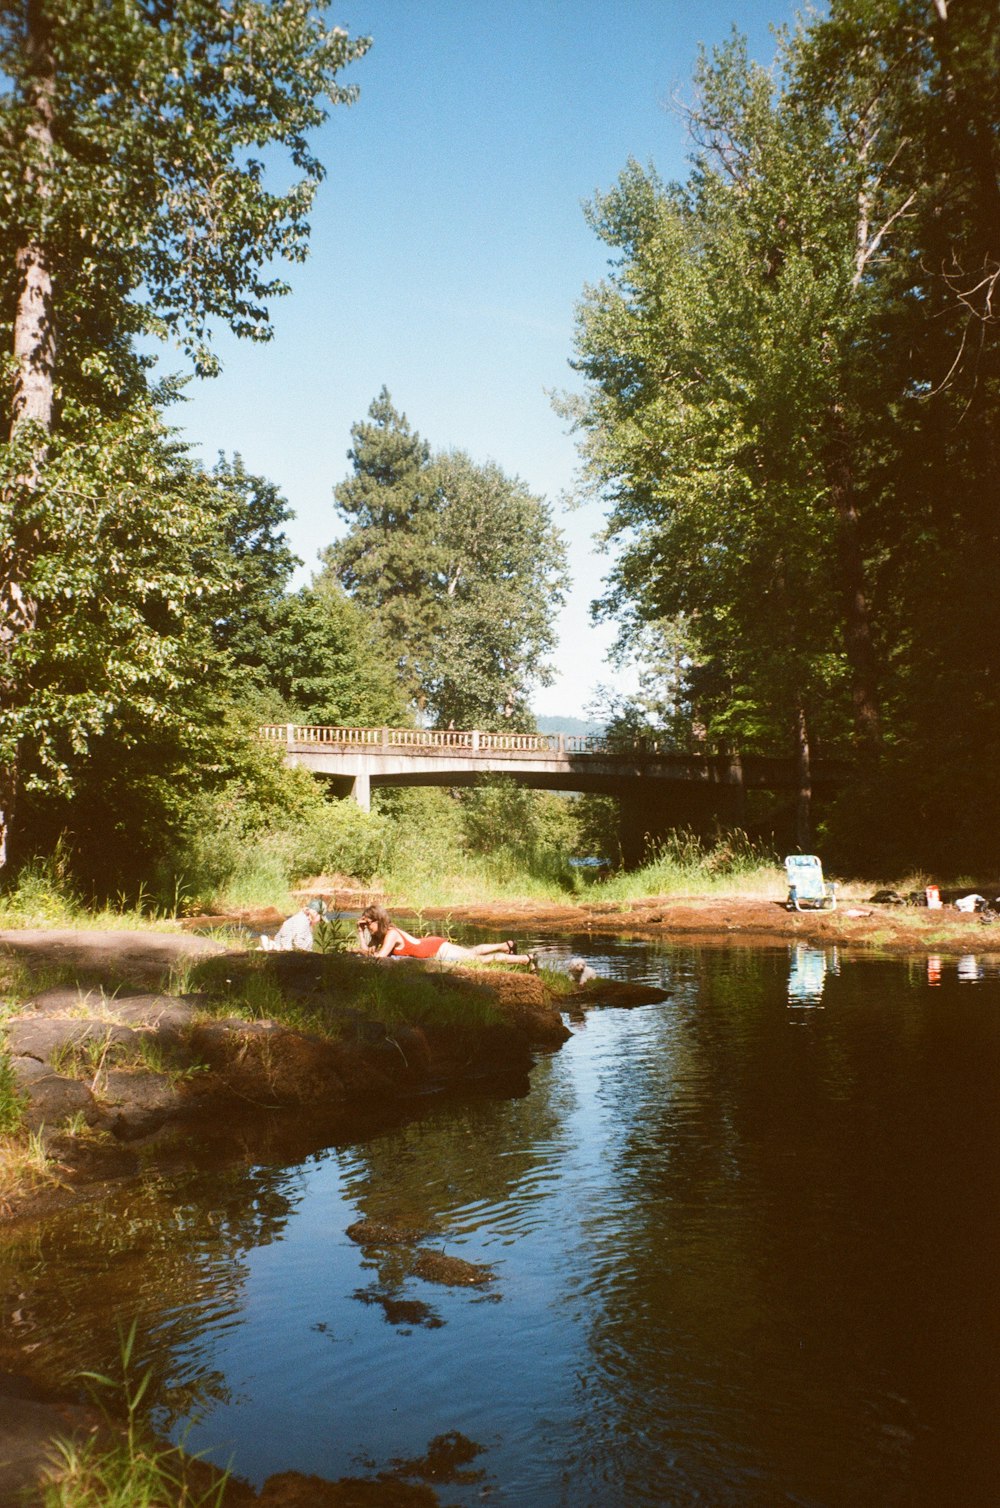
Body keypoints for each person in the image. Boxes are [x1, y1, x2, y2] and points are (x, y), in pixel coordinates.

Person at [356, 905, 536, 968]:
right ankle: (506, 945)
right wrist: (360, 932)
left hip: (437, 949)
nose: (368, 927)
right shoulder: (381, 934)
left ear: (378, 921)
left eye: (368, 923)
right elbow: (367, 952)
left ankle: (526, 959)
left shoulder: (391, 934)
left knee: (478, 960)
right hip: (433, 946)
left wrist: (365, 953)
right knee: (471, 952)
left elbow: (378, 958)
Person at [260, 899, 325, 952]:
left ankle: (270, 945)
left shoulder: (301, 918)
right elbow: (298, 943)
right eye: (321, 919)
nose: (320, 921)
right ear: (314, 913)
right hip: (289, 953)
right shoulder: (302, 921)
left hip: (284, 948)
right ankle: (270, 945)